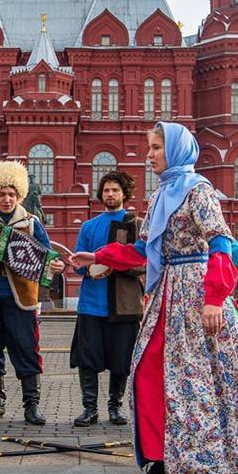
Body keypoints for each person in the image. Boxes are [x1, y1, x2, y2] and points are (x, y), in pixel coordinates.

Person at [70, 122, 238, 474]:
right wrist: (97, 256)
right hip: (167, 291)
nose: (149, 154)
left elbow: (220, 244)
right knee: (149, 373)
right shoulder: (160, 195)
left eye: (155, 147)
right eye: (149, 147)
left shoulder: (198, 190)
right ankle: (161, 458)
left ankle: (207, 464)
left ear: (176, 151)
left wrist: (215, 298)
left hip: (197, 293)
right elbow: (142, 249)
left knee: (196, 378)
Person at [0, 160, 66, 426]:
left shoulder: (31, 222)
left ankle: (31, 405)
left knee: (26, 349)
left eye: (11, 194)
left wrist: (56, 265)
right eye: (1, 194)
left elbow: (47, 255)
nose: (7, 199)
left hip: (21, 298)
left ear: (19, 195)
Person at [70, 171, 143, 427]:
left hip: (124, 303)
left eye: (115, 190)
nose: (110, 194)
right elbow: (79, 263)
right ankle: (89, 408)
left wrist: (114, 266)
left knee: (121, 359)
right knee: (87, 359)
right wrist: (81, 266)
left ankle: (115, 407)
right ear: (101, 195)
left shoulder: (136, 224)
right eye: (106, 190)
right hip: (91, 303)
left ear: (124, 194)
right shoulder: (89, 226)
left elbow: (144, 263)